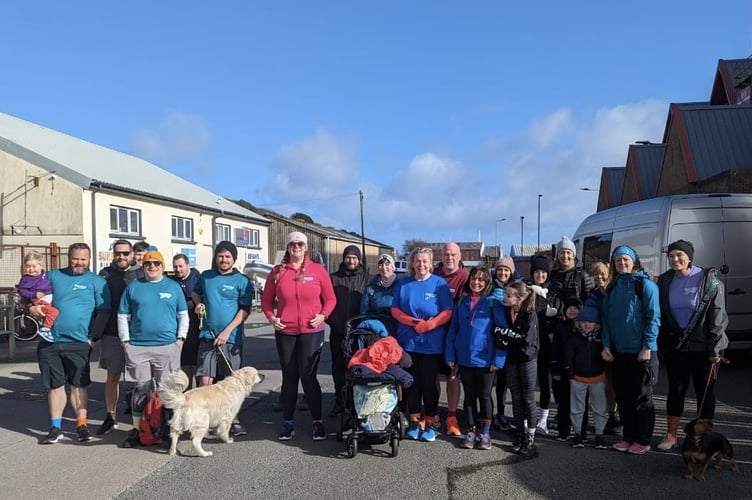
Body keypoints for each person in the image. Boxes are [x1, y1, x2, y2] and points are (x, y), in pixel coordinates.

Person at [31, 242, 110, 444]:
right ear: (69, 257)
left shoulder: (97, 281)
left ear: (89, 259)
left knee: (78, 385)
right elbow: (33, 296)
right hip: (50, 341)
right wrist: (30, 309)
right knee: (55, 386)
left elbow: (104, 312)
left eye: (83, 259)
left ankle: (81, 425)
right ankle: (55, 428)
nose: (79, 263)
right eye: (75, 258)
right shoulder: (52, 276)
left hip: (79, 342)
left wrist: (93, 338)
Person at [262, 231, 336, 441]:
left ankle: (317, 422)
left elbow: (330, 299)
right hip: (285, 330)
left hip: (311, 331)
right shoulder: (277, 272)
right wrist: (271, 318)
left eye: (300, 244)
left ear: (306, 247)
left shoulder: (318, 271)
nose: (296, 247)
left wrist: (323, 316)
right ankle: (287, 423)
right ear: (287, 247)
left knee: (308, 375)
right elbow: (267, 301)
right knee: (290, 376)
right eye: (292, 244)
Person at [656, 240, 729, 451]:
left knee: (704, 392)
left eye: (679, 255)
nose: (675, 259)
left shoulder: (709, 280)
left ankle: (704, 440)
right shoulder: (665, 280)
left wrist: (715, 349)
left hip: (705, 348)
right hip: (677, 347)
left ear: (689, 257)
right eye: (671, 256)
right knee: (676, 390)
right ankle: (671, 435)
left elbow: (718, 316)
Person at [118, 249, 188, 448]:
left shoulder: (173, 287)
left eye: (156, 263)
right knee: (140, 391)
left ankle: (165, 430)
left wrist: (180, 340)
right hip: (138, 347)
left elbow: (183, 315)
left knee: (166, 392)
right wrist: (126, 342)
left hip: (167, 347)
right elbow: (123, 316)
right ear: (143, 266)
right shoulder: (133, 287)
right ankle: (137, 430)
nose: (152, 267)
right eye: (148, 264)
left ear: (162, 266)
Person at [601, 245, 660, 455]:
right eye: (618, 261)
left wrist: (647, 346)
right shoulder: (613, 287)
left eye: (625, 259)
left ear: (634, 261)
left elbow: (654, 317)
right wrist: (607, 346)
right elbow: (606, 320)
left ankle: (643, 440)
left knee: (642, 396)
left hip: (641, 352)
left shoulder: (644, 285)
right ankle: (628, 436)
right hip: (619, 351)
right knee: (623, 396)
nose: (622, 263)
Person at [391, 247, 453, 442]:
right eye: (417, 261)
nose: (421, 265)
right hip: (408, 343)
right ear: (412, 263)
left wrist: (430, 324)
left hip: (431, 344)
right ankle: (415, 421)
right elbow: (395, 309)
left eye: (425, 261)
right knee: (412, 384)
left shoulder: (439, 284)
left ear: (431, 263)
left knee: (428, 383)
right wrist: (414, 323)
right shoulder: (404, 284)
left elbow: (447, 311)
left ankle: (431, 421)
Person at [192, 241, 253, 438]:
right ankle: (204, 420)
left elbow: (244, 311)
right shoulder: (206, 276)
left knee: (232, 384)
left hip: (231, 338)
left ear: (234, 259)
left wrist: (227, 331)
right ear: (215, 257)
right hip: (207, 336)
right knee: (205, 380)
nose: (224, 259)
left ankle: (232, 420)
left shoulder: (242, 280)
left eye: (228, 256)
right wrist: (198, 303)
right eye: (220, 256)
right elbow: (195, 292)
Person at [445, 266, 506, 450]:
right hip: (464, 358)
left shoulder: (492, 303)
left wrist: (499, 359)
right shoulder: (461, 301)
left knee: (485, 396)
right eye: (474, 279)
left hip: (486, 359)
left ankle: (486, 432)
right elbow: (453, 330)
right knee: (469, 396)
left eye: (481, 279)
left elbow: (502, 333)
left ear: (487, 282)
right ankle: (471, 431)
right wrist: (450, 354)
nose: (476, 282)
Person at [94, 239, 144, 435]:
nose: (121, 257)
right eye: (118, 253)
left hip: (138, 335)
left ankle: (140, 424)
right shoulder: (105, 274)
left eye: (125, 253)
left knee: (140, 380)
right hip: (112, 333)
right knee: (112, 376)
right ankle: (110, 416)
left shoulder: (142, 273)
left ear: (132, 254)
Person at [326, 245, 369, 417]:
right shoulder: (333, 278)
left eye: (354, 257)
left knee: (358, 367)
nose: (351, 260)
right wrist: (334, 322)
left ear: (359, 260)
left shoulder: (367, 279)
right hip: (338, 331)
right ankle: (339, 400)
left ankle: (356, 401)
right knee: (338, 368)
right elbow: (324, 302)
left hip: (360, 334)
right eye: (348, 257)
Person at [433, 242, 469, 437]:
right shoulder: (434, 274)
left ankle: (452, 416)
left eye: (453, 254)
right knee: (432, 376)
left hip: (454, 334)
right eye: (446, 254)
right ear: (442, 255)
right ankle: (434, 413)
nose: (450, 257)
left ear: (459, 256)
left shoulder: (465, 277)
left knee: (452, 376)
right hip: (433, 334)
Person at [500, 281, 539, 457]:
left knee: (528, 398)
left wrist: (505, 334)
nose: (505, 298)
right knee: (516, 397)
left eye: (509, 295)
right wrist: (505, 335)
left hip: (527, 359)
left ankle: (530, 436)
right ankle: (519, 433)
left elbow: (526, 339)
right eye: (505, 294)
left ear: (520, 298)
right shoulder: (506, 311)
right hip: (511, 359)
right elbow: (498, 331)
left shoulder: (530, 314)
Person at [562, 304, 608, 449]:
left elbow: (607, 357)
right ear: (578, 322)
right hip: (578, 378)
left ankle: (599, 435)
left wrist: (605, 371)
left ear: (597, 324)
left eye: (591, 322)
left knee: (599, 408)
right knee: (576, 408)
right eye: (584, 321)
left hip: (598, 378)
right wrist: (570, 374)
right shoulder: (573, 339)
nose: (587, 324)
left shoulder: (601, 340)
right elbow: (567, 357)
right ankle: (577, 434)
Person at [527, 254, 560, 435]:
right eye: (537, 272)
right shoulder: (526, 290)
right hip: (529, 343)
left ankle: (543, 419)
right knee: (529, 382)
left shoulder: (553, 293)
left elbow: (556, 314)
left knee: (545, 382)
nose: (540, 275)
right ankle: (527, 418)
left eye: (543, 272)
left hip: (547, 343)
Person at [588, 261, 621, 435]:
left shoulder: (615, 291)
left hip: (618, 340)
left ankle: (622, 414)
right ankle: (611, 414)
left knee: (619, 380)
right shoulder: (593, 295)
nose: (599, 277)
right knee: (607, 381)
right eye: (596, 274)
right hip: (600, 341)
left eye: (602, 274)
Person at [550, 297, 583, 441]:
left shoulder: (584, 327)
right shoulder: (560, 327)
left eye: (576, 308)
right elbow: (555, 350)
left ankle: (579, 432)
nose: (572, 310)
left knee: (579, 403)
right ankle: (563, 431)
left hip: (580, 371)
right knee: (563, 403)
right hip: (563, 370)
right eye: (570, 308)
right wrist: (555, 369)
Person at [491, 256, 516, 431]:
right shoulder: (489, 288)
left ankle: (503, 414)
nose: (503, 273)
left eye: (506, 270)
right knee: (490, 381)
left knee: (505, 382)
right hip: (492, 338)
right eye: (500, 269)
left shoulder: (516, 289)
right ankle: (490, 414)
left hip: (509, 340)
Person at [171, 253, 201, 389]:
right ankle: (186, 391)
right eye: (175, 267)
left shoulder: (197, 279)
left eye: (181, 266)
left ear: (188, 265)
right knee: (185, 364)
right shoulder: (171, 281)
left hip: (197, 326)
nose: (178, 269)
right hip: (180, 328)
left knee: (198, 365)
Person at [16, 251, 59, 342]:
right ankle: (45, 329)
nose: (31, 269)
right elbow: (22, 291)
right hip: (39, 301)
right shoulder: (26, 279)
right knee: (54, 312)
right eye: (28, 266)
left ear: (41, 266)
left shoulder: (44, 275)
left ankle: (48, 328)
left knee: (51, 313)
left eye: (34, 266)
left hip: (46, 301)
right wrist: (34, 295)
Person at [360, 253, 400, 332]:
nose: (384, 267)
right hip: (376, 330)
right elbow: (364, 312)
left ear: (393, 267)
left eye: (387, 264)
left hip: (396, 330)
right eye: (381, 264)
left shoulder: (401, 286)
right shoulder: (370, 289)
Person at [549, 236, 594, 305]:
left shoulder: (582, 275)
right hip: (555, 315)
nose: (565, 256)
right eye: (562, 253)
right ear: (557, 255)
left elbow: (590, 300)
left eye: (568, 252)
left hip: (577, 315)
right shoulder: (552, 276)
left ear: (573, 255)